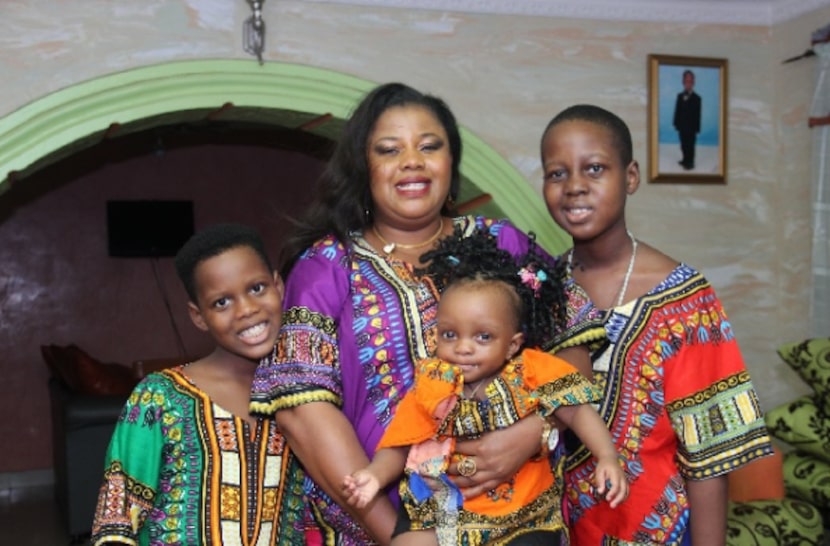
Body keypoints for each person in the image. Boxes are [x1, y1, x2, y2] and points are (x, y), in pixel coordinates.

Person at [249, 82, 605, 545]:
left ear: (451, 161)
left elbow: (570, 347)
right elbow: (304, 417)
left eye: (429, 146)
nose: (412, 161)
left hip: (521, 516)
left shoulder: (505, 244)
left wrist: (531, 434)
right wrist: (397, 533)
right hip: (387, 526)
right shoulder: (325, 268)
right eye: (389, 149)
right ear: (364, 168)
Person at [539, 104, 774, 546]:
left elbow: (708, 453)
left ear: (630, 177)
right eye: (556, 173)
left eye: (594, 169)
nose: (574, 187)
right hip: (554, 529)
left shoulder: (685, 299)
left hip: (658, 532)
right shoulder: (541, 291)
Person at [342, 227, 628, 546]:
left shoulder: (532, 370)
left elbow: (578, 413)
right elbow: (399, 443)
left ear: (512, 344)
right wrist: (374, 476)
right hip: (440, 507)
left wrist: (606, 456)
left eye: (483, 337)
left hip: (520, 512)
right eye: (450, 335)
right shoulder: (432, 384)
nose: (464, 348)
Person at [90, 223, 306, 546]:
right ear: (198, 316)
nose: (246, 310)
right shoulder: (159, 397)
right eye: (221, 302)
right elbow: (116, 522)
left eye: (257, 288)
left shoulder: (306, 391)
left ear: (278, 286)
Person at [673, 69, 701, 170]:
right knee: (683, 144)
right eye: (686, 81)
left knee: (690, 145)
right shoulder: (680, 96)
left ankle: (690, 162)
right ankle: (685, 159)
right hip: (682, 126)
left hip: (692, 128)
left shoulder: (697, 98)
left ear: (693, 83)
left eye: (690, 81)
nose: (688, 83)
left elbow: (698, 115)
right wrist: (676, 123)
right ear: (683, 82)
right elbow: (677, 111)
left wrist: (697, 128)